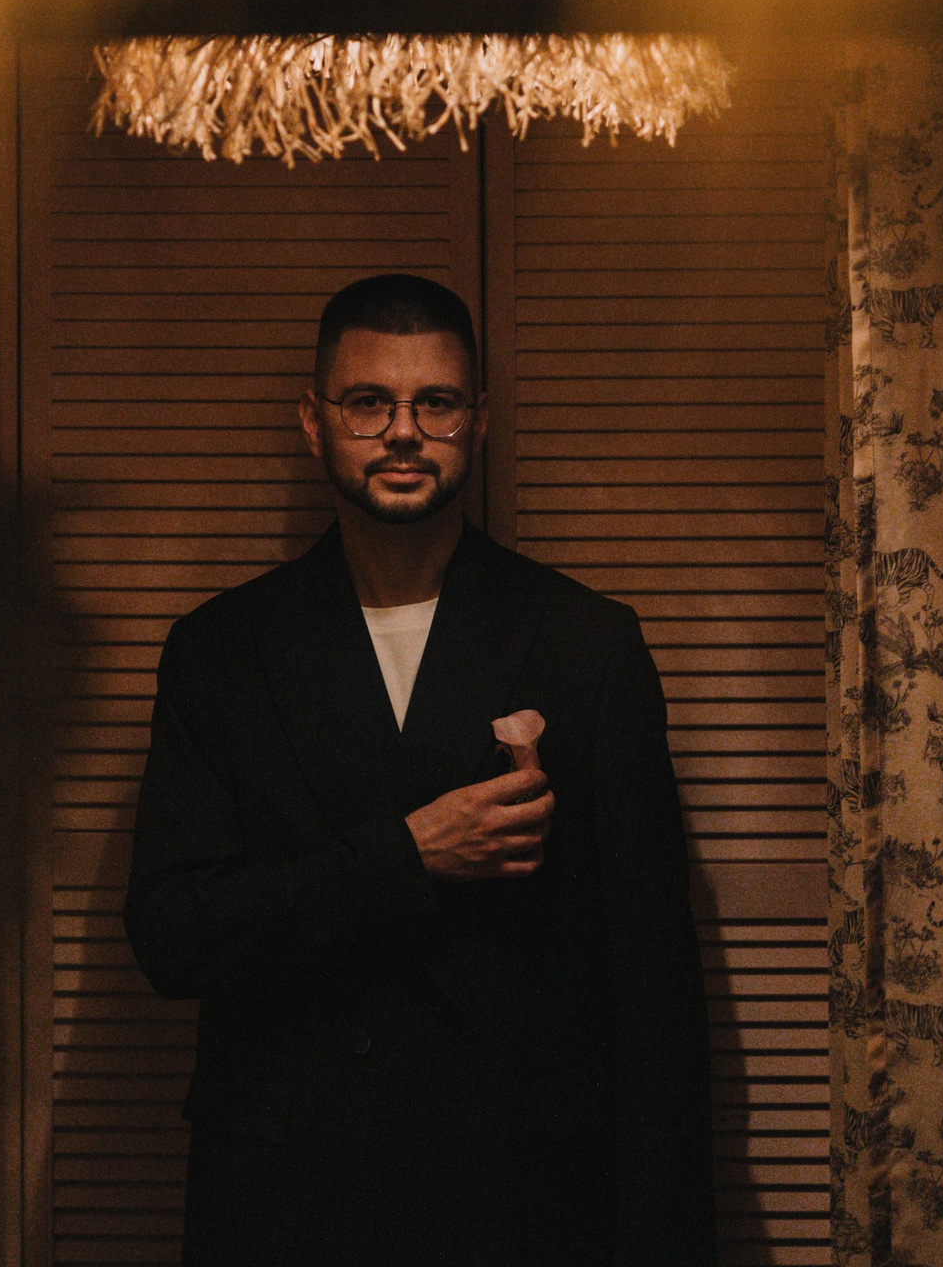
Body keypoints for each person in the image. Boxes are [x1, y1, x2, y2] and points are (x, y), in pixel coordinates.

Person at [124, 272, 717, 1267]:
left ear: (478, 421)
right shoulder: (220, 651)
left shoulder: (586, 644)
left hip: (520, 1200)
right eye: (369, 402)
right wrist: (406, 857)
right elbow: (172, 935)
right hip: (288, 1203)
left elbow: (653, 993)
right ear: (314, 422)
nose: (403, 432)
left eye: (434, 403)